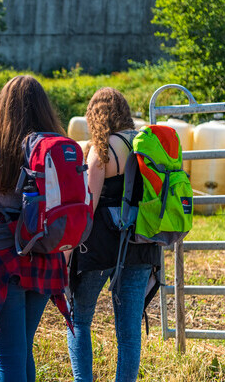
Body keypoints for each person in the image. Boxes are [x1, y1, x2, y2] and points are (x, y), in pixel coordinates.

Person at [0, 75, 71, 382]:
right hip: (45, 254)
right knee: (22, 353)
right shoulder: (57, 146)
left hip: (3, 257)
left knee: (8, 360)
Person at [66, 87, 160, 382]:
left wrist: (66, 252)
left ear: (96, 116)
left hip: (101, 248)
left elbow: (87, 206)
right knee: (129, 334)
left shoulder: (102, 149)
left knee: (79, 320)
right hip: (143, 244)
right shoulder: (145, 144)